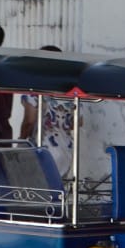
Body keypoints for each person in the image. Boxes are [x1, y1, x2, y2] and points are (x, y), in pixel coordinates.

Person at [18, 45, 75, 178]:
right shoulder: (71, 91)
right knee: (58, 186)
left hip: (43, 149)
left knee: (37, 187)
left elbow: (29, 122)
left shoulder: (34, 88)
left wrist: (20, 143)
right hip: (66, 150)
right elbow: (78, 122)